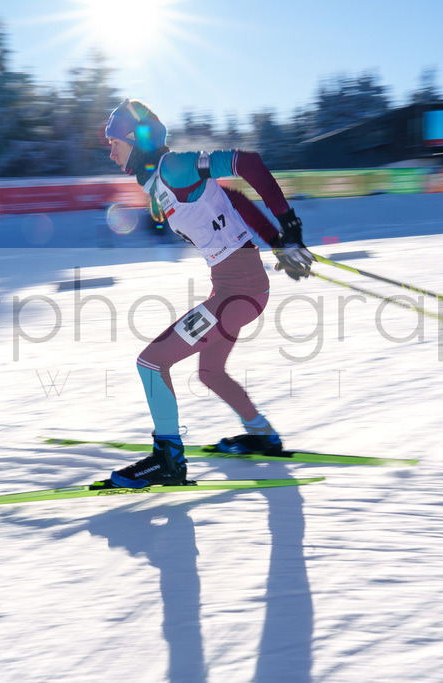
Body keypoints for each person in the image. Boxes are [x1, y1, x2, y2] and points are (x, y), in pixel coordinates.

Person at [102, 98, 313, 489]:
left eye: (114, 141)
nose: (110, 150)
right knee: (210, 372)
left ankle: (168, 460)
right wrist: (277, 242)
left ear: (135, 139)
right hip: (236, 286)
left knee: (151, 363)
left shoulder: (175, 166)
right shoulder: (159, 185)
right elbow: (232, 200)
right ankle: (261, 434)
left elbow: (247, 164)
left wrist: (288, 227)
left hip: (238, 290)